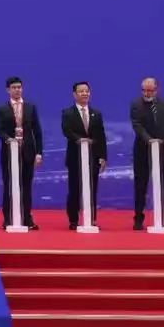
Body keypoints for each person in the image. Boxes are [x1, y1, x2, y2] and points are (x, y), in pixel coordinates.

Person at [0, 76, 42, 230]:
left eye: (19, 87)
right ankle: (8, 219)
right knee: (9, 185)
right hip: (8, 153)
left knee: (26, 186)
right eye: (14, 87)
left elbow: (37, 131)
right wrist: (9, 140)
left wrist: (39, 153)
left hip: (28, 152)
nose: (17, 90)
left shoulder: (30, 107)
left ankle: (27, 218)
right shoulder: (2, 109)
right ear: (8, 90)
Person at [129, 76, 164, 230]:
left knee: (162, 184)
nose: (146, 93)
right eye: (144, 90)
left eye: (150, 90)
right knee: (140, 184)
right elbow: (137, 125)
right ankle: (138, 218)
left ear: (156, 90)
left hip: (163, 150)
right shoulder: (136, 105)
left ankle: (162, 219)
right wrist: (150, 140)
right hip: (142, 150)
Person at [61, 81, 107, 230]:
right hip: (75, 157)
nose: (84, 93)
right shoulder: (67, 113)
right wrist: (80, 140)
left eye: (87, 91)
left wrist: (102, 156)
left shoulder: (96, 113)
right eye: (81, 91)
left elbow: (101, 136)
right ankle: (73, 220)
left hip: (93, 158)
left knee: (92, 189)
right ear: (74, 94)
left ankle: (91, 219)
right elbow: (67, 131)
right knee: (74, 190)